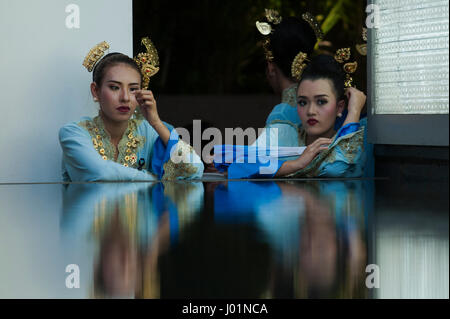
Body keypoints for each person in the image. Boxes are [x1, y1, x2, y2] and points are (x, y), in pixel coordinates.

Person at [59, 39, 204, 182]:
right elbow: (100, 173)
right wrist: (154, 178)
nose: (125, 98)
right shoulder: (74, 134)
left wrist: (156, 123)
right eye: (114, 87)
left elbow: (195, 169)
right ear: (95, 91)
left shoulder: (150, 132)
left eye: (133, 89)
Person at [216, 53, 367, 178]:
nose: (310, 111)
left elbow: (337, 168)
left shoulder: (356, 138)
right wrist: (297, 164)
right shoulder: (283, 133)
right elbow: (237, 164)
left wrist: (354, 111)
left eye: (321, 101)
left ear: (340, 106)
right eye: (302, 102)